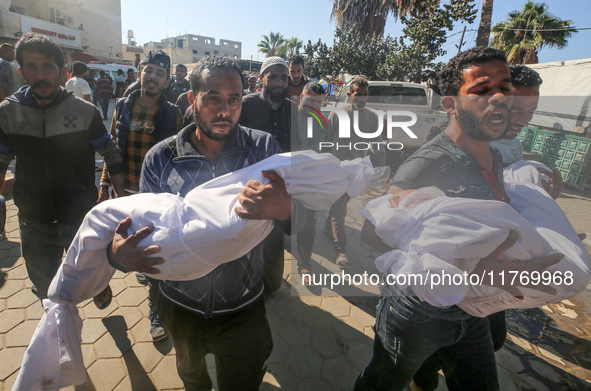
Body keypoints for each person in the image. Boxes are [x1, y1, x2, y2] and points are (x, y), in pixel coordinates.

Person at [354, 47, 562, 391]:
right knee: (383, 382)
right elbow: (373, 233)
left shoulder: (492, 153)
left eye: (505, 87)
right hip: (417, 311)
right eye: (482, 89)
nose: (499, 98)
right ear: (451, 103)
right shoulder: (429, 162)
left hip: (471, 310)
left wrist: (547, 220)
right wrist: (475, 269)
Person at [108, 55, 305, 391]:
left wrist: (285, 207)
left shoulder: (263, 150)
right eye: (213, 98)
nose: (225, 110)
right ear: (192, 98)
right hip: (179, 306)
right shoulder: (161, 157)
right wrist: (118, 256)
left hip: (243, 306)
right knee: (191, 376)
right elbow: (137, 232)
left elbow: (295, 221)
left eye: (234, 99)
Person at [0, 33, 124, 304]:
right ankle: (57, 325)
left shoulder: (84, 111)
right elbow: (1, 161)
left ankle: (98, 287)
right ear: (21, 71)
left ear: (61, 71)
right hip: (33, 220)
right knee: (46, 289)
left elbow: (111, 153)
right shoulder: (8, 113)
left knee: (92, 270)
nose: (40, 74)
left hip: (79, 214)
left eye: (47, 66)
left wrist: (123, 200)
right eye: (31, 67)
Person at [98, 49, 182, 342]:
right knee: (120, 248)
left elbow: (179, 158)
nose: (154, 77)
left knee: (153, 254)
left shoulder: (174, 113)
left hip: (156, 198)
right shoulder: (122, 107)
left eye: (160, 73)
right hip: (125, 195)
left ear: (167, 80)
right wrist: (105, 186)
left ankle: (156, 311)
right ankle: (102, 285)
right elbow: (112, 153)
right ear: (140, 72)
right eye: (149, 71)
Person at [239, 56, 300, 293]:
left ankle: (270, 284)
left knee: (274, 240)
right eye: (273, 76)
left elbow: (300, 146)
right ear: (262, 78)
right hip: (247, 184)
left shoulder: (295, 111)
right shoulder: (245, 105)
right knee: (245, 236)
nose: (279, 82)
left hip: (280, 189)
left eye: (283, 77)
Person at [325, 76, 385, 269]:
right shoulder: (337, 115)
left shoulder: (372, 117)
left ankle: (328, 229)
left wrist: (381, 167)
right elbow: (326, 141)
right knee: (339, 208)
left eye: (365, 95)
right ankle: (340, 250)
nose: (361, 98)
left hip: (357, 170)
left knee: (342, 204)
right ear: (350, 95)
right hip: (338, 169)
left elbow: (377, 142)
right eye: (358, 94)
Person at [293, 81, 331, 282]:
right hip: (289, 176)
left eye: (319, 102)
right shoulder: (289, 117)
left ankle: (304, 264)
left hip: (312, 179)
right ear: (301, 97)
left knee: (308, 222)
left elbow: (329, 148)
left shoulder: (323, 121)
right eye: (311, 100)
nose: (315, 105)